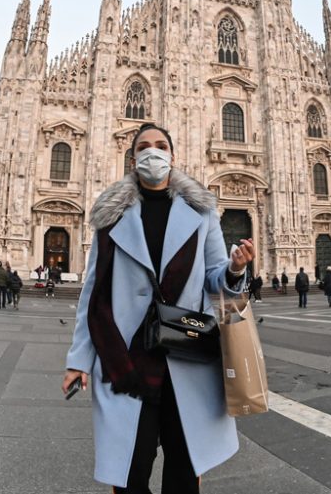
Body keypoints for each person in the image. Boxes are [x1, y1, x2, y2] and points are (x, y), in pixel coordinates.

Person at [61, 123, 253, 493]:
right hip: (128, 356)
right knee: (131, 473)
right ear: (133, 159)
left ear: (173, 156)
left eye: (161, 146)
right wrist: (78, 360)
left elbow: (216, 278)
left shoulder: (203, 212)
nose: (154, 152)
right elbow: (94, 292)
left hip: (185, 350)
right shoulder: (110, 215)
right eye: (145, 146)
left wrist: (235, 269)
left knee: (184, 471)